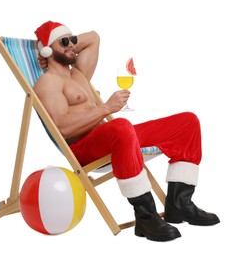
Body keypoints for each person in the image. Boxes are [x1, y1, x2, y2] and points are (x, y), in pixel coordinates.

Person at [33, 20, 220, 242]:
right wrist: (106, 108)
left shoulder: (78, 74)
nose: (72, 45)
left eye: (73, 40)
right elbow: (62, 128)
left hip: (114, 137)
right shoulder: (48, 82)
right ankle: (146, 217)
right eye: (65, 41)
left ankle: (180, 205)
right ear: (46, 49)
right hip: (84, 148)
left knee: (187, 123)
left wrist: (64, 43)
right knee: (122, 126)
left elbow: (93, 37)